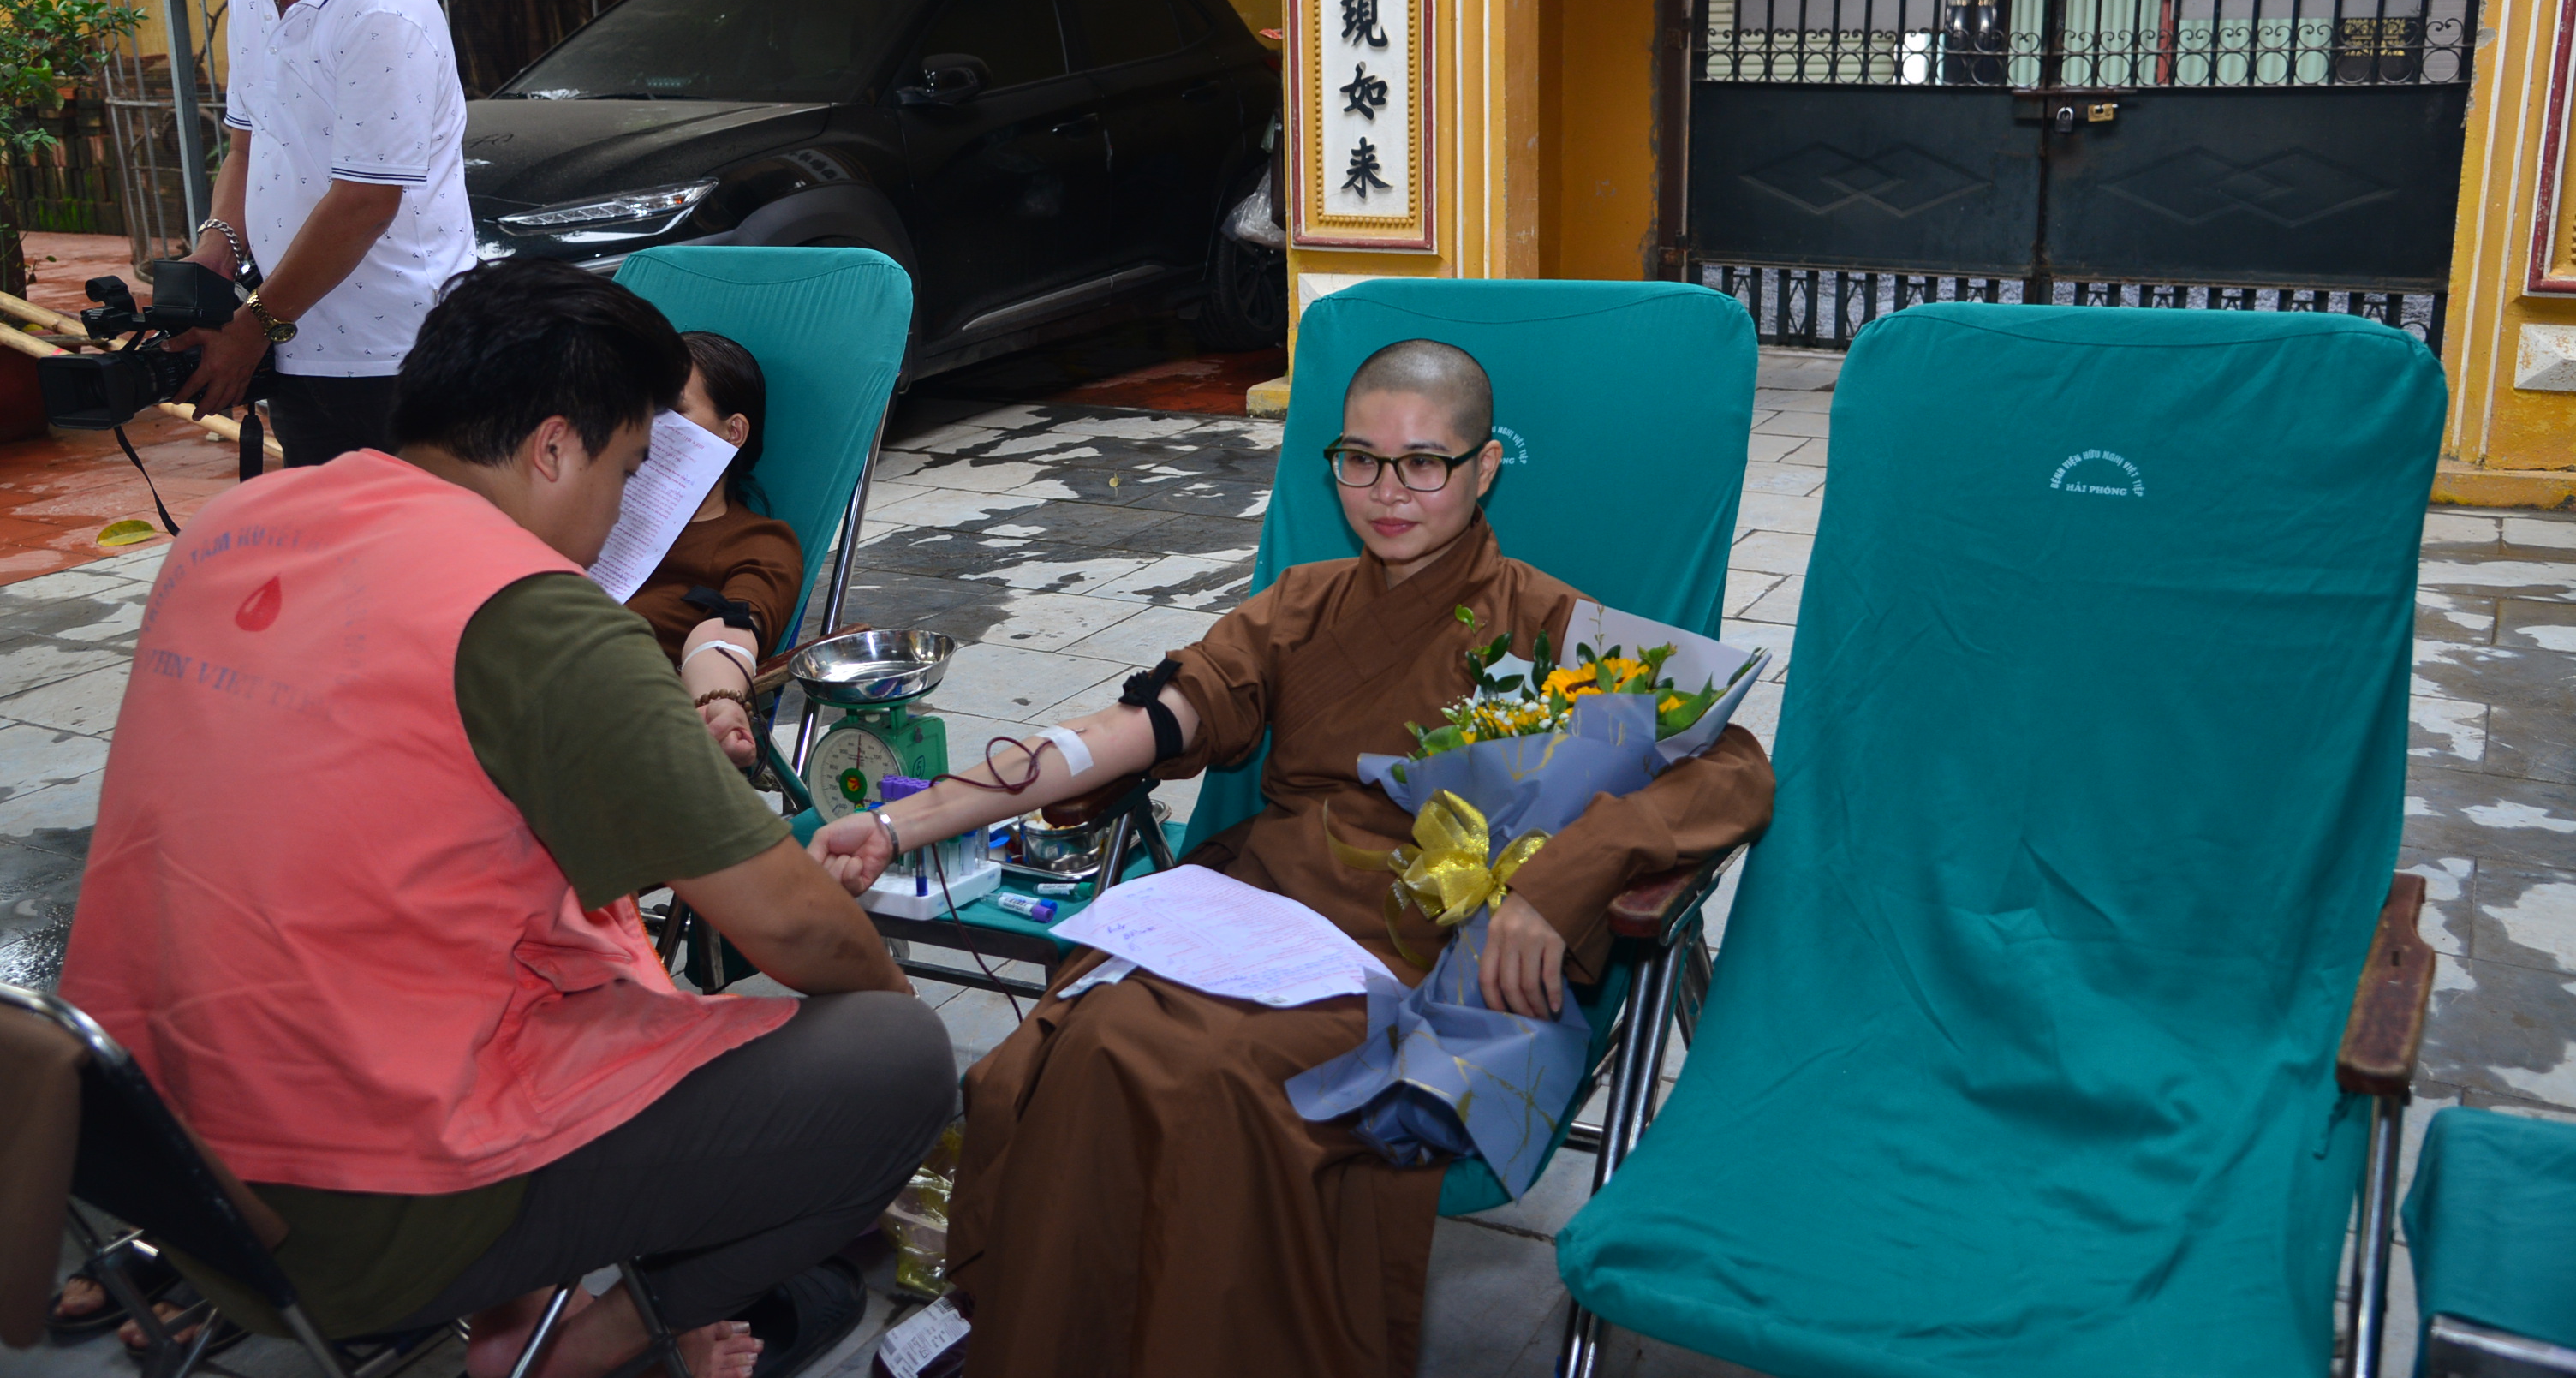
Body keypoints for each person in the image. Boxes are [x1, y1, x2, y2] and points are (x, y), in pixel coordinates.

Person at [807, 339, 1778, 1377]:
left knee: (1221, 1085)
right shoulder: (1299, 606)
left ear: (1484, 466)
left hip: (1413, 955)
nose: (1386, 492)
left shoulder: (1552, 628)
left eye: (1423, 463)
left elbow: (1733, 768)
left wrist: (1555, 883)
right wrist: (907, 823)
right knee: (1084, 1044)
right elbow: (1128, 730)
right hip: (1255, 910)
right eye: (1359, 459)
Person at [57, 259, 952, 1378]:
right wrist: (881, 990)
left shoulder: (235, 525)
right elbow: (797, 927)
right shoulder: (531, 612)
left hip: (159, 1156)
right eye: (630, 470)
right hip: (360, 1214)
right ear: (555, 448)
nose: (620, 515)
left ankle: (526, 1312)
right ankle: (596, 1341)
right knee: (896, 1059)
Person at [134, 0, 475, 466]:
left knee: (418, 530)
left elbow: (364, 202)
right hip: (296, 344)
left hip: (400, 357)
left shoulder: (381, 14)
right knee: (329, 530)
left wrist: (251, 327)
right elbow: (247, 142)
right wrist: (218, 247)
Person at [627, 331, 805, 767]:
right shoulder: (587, 516)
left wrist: (716, 701)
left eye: (672, 409)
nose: (649, 424)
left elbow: (729, 628)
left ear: (733, 432)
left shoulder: (755, 542)